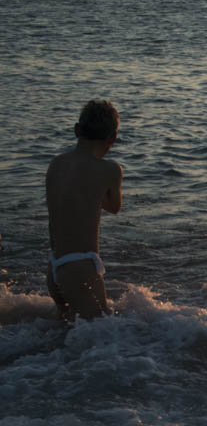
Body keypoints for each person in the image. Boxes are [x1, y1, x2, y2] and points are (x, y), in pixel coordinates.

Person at [45, 99, 124, 322]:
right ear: (113, 138)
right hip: (81, 268)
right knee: (102, 338)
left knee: (65, 336)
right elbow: (115, 207)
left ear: (77, 130)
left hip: (54, 267)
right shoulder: (110, 170)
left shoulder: (56, 163)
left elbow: (67, 199)